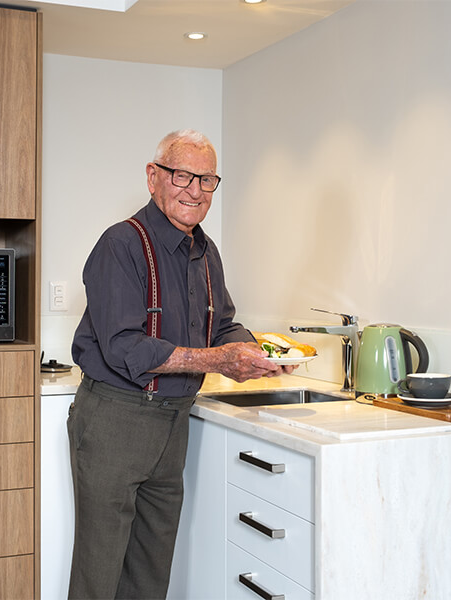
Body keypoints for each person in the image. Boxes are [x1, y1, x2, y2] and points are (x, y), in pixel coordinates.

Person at [68, 129, 296, 599]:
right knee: (99, 573)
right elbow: (126, 348)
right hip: (115, 419)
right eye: (182, 176)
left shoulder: (206, 252)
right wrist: (219, 360)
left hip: (173, 424)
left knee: (151, 572)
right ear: (154, 178)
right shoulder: (121, 244)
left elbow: (223, 325)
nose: (195, 190)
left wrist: (259, 352)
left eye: (207, 180)